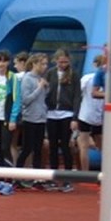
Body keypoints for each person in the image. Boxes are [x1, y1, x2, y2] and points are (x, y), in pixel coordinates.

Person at [44, 48, 80, 192]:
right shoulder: (50, 73)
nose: (63, 65)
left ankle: (67, 179)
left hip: (67, 114)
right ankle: (53, 178)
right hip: (51, 113)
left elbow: (77, 96)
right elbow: (45, 92)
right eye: (60, 62)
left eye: (65, 62)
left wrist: (75, 117)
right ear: (55, 61)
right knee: (53, 146)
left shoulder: (74, 75)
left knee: (65, 146)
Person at [14, 53, 49, 188]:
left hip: (41, 118)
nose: (45, 67)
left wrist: (45, 88)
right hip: (30, 118)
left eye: (45, 64)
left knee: (38, 149)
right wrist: (39, 88)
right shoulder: (27, 78)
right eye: (42, 64)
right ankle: (17, 177)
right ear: (34, 64)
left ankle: (37, 178)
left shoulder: (41, 78)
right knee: (27, 148)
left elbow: (43, 98)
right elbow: (26, 100)